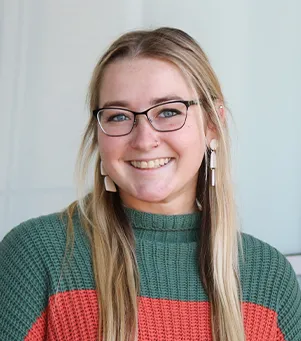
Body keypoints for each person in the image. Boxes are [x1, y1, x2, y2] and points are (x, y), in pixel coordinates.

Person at [0, 27, 300, 341]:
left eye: (169, 111)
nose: (144, 140)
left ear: (213, 123)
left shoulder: (269, 277)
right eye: (118, 116)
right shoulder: (37, 253)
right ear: (99, 134)